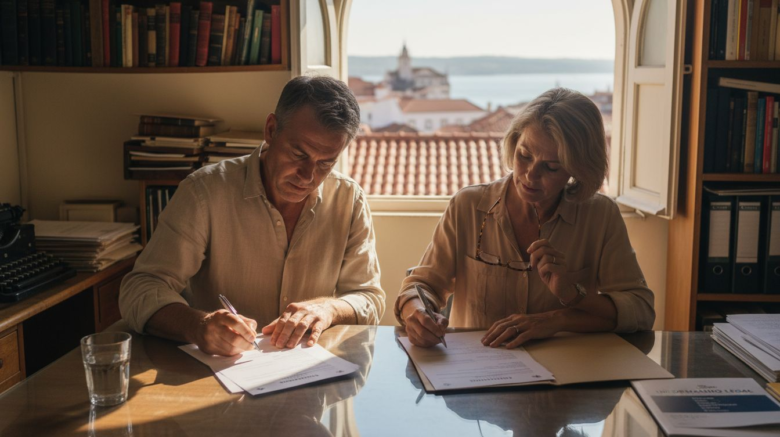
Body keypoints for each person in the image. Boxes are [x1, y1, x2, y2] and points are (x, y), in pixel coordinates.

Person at [120, 76, 385, 356]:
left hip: (309, 375)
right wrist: (198, 325)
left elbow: (368, 298)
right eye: (298, 154)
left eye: (326, 163)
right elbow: (141, 288)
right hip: (217, 375)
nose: (308, 177)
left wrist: (328, 308)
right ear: (271, 130)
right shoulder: (204, 192)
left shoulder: (348, 199)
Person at [396, 87, 654, 348]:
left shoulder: (600, 216)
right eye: (524, 156)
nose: (530, 175)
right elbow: (420, 285)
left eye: (551, 167)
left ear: (577, 169)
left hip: (564, 375)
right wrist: (416, 313)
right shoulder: (468, 206)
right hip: (476, 375)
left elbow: (641, 310)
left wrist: (563, 313)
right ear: (513, 143)